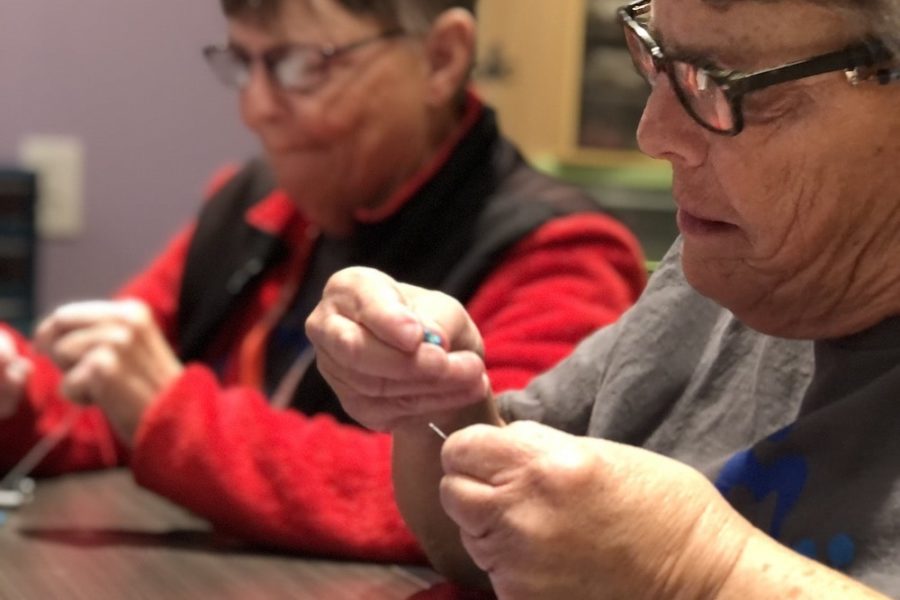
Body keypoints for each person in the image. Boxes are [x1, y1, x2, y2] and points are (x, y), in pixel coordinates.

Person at [0, 0, 646, 563]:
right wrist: (15, 398)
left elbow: (481, 504)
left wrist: (169, 414)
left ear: (442, 58)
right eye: (242, 62)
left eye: (303, 63)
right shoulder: (254, 202)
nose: (254, 108)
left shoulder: (562, 253)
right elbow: (92, 414)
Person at [306, 0, 900, 594]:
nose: (653, 133)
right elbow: (490, 547)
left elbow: (669, 563)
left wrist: (698, 570)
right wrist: (438, 405)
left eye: (720, 82)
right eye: (657, 55)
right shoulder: (730, 273)